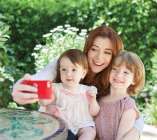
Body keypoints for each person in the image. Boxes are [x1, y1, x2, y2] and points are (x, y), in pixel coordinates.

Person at [12, 25, 143, 140]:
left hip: (81, 130)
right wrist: (22, 88)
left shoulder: (112, 79)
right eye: (94, 49)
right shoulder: (69, 65)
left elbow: (131, 112)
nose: (99, 57)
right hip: (55, 127)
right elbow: (40, 78)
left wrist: (136, 129)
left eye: (107, 52)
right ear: (87, 48)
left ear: (114, 57)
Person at [40, 49, 99, 140]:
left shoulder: (87, 90)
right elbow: (45, 102)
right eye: (64, 69)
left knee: (90, 132)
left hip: (82, 123)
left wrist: (93, 100)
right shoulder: (56, 88)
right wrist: (43, 92)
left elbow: (94, 112)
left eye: (74, 70)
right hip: (63, 123)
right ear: (59, 71)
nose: (68, 74)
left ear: (83, 73)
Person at [95, 51, 145, 140]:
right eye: (115, 69)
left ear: (134, 79)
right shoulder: (99, 100)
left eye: (126, 72)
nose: (119, 75)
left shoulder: (127, 105)